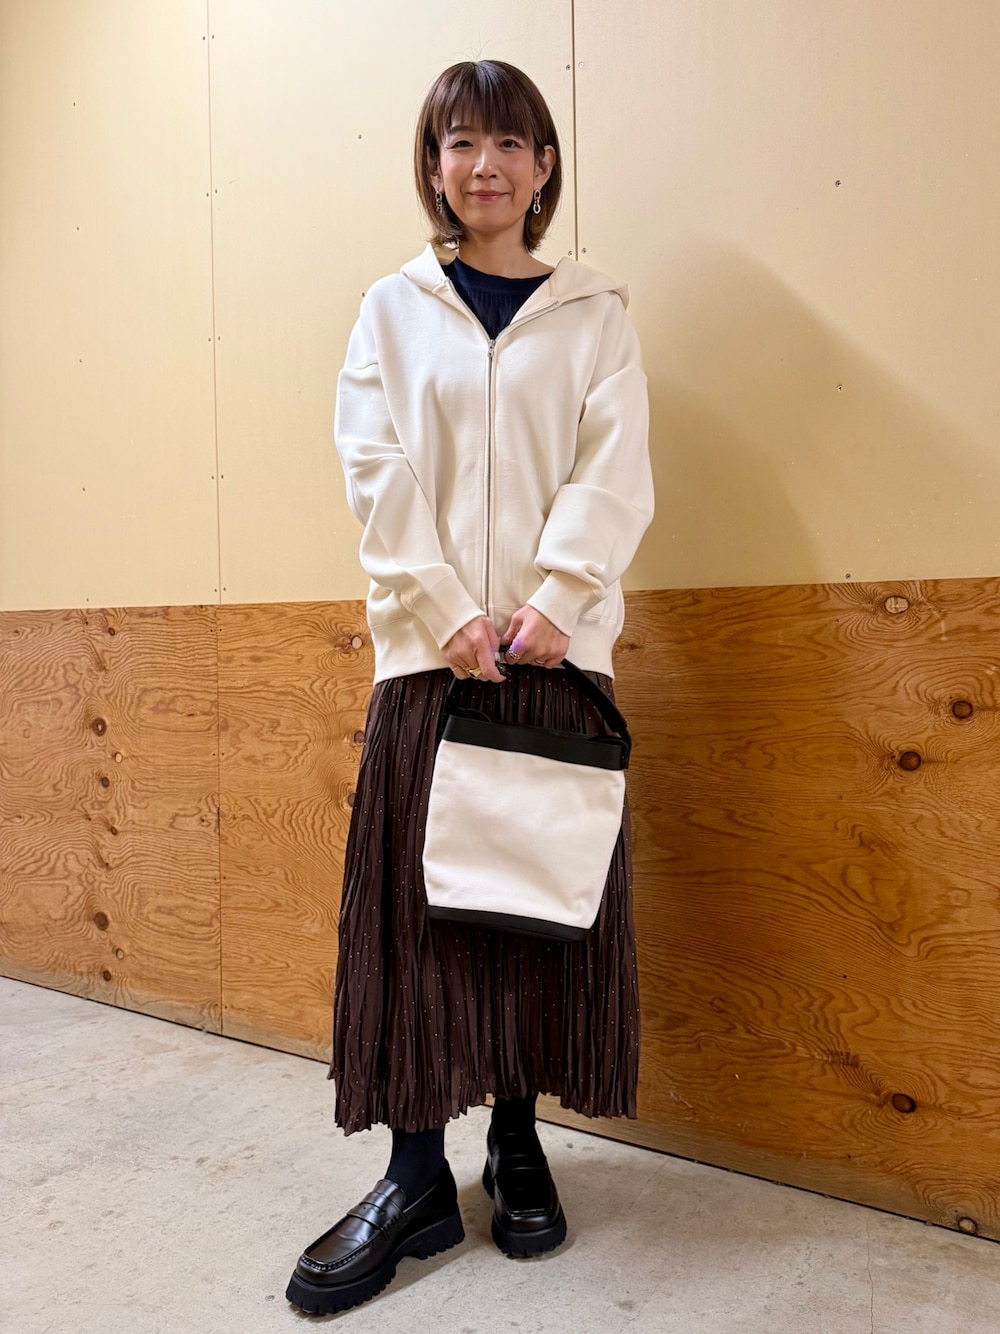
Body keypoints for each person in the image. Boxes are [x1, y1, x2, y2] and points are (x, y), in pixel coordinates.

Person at [286, 58, 653, 1316]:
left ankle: (515, 1140)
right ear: (433, 165)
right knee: (418, 922)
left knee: (526, 910)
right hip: (428, 660)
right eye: (458, 142)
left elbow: (614, 466)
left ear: (543, 166)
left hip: (552, 654)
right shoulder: (390, 311)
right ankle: (413, 1176)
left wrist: (557, 597)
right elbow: (374, 468)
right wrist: (445, 610)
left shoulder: (596, 314)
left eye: (507, 141)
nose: (482, 164)